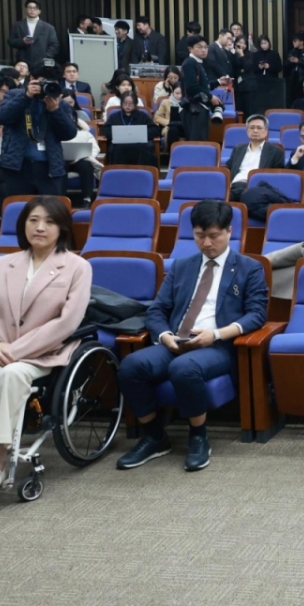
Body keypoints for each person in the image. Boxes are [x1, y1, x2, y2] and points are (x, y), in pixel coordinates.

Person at [115, 201, 267, 472]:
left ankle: (198, 436)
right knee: (131, 366)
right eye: (199, 236)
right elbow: (158, 309)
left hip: (217, 345)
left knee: (183, 368)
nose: (206, 243)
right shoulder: (182, 266)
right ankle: (154, 436)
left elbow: (256, 315)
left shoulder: (249, 268)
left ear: (229, 231)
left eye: (214, 236)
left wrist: (216, 334)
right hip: (177, 340)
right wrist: (164, 336)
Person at [0, 196, 91, 492]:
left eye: (49, 222)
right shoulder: (3, 264)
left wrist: (11, 353)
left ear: (62, 228)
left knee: (11, 373)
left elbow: (66, 324)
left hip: (43, 354)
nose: (40, 227)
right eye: (33, 220)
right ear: (23, 225)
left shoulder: (77, 267)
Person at [0, 77, 77, 197]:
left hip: (50, 166)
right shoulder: (14, 95)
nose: (44, 87)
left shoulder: (60, 103)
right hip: (18, 166)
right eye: (41, 83)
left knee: (51, 211)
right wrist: (26, 97)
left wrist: (55, 111)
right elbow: (2, 117)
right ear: (31, 79)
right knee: (19, 210)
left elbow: (70, 133)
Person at [227, 114, 285, 201]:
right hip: (235, 186)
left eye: (259, 128)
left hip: (256, 188)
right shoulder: (238, 149)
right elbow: (228, 168)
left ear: (266, 131)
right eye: (252, 128)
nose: (255, 130)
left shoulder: (276, 151)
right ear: (247, 131)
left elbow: (277, 176)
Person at [179, 36, 225, 143]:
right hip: (193, 109)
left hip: (199, 108)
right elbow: (192, 87)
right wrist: (210, 97)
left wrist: (218, 82)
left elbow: (203, 86)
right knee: (196, 142)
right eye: (199, 47)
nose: (204, 50)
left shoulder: (198, 63)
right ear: (190, 49)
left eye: (205, 47)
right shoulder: (190, 63)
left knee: (201, 140)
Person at [104, 91, 158, 167]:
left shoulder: (143, 116)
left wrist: (141, 134)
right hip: (120, 145)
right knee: (116, 149)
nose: (127, 106)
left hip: (139, 145)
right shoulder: (114, 117)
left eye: (131, 103)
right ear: (121, 103)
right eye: (125, 103)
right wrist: (117, 135)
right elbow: (106, 129)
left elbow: (154, 130)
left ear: (135, 104)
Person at [7, 0, 59, 73]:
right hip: (23, 61)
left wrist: (45, 56)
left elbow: (54, 45)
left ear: (39, 11)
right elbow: (11, 41)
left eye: (35, 8)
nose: (32, 10)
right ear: (26, 9)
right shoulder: (17, 25)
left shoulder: (48, 27)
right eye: (29, 7)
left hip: (42, 62)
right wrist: (22, 41)